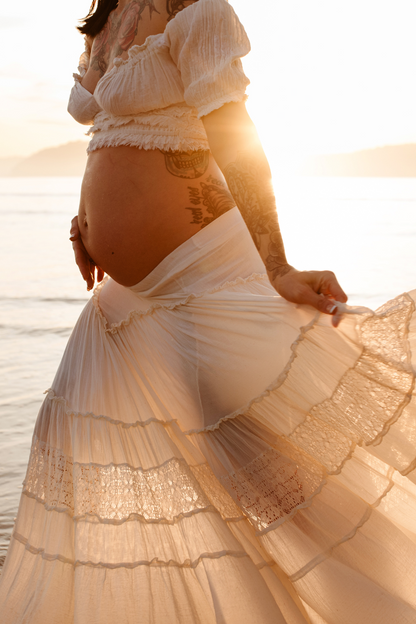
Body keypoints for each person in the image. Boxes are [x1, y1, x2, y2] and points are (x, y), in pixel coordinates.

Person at [0, 0, 415, 622]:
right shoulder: (109, 19)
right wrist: (85, 224)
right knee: (80, 448)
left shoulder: (196, 9)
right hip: (125, 303)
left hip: (203, 273)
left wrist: (276, 265)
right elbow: (110, 137)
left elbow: (233, 135)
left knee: (274, 478)